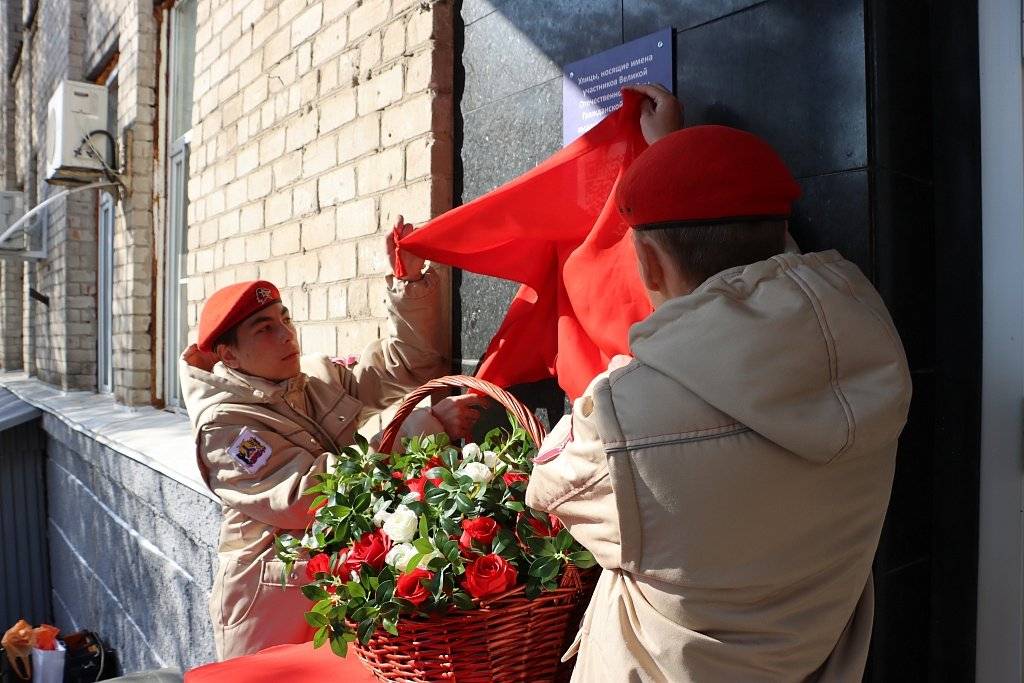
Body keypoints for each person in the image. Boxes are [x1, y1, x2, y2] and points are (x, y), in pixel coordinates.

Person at [526, 92, 912, 681]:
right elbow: (772, 274)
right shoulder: (874, 352)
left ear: (647, 265)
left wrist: (624, 380)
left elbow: (547, 485)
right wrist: (678, 164)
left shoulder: (622, 422)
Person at [179, 217, 483, 660]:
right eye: (265, 329)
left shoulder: (318, 379)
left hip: (336, 598)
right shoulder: (225, 428)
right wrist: (419, 427)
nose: (287, 335)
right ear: (229, 355)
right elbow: (308, 495)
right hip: (277, 614)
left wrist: (410, 282)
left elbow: (405, 366)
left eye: (285, 320)